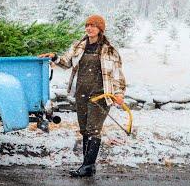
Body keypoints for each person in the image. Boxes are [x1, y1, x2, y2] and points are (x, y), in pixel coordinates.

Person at [38, 14, 127, 177]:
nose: (89, 28)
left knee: (93, 129)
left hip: (100, 95)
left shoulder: (109, 50)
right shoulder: (79, 46)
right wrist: (55, 57)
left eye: (93, 25)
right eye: (87, 25)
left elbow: (117, 74)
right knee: (85, 129)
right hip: (82, 93)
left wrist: (119, 93)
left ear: (100, 29)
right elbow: (66, 63)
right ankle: (89, 165)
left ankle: (87, 165)